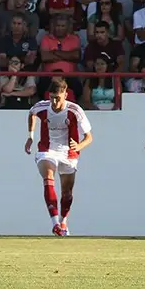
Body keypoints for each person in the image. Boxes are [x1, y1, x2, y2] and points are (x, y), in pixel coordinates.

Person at [26, 79, 92, 236]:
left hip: (69, 153)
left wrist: (79, 146)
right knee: (48, 177)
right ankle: (55, 223)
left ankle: (63, 221)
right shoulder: (42, 107)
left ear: (66, 95)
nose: (55, 102)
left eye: (58, 98)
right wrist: (30, 136)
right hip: (47, 150)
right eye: (52, 98)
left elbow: (89, 137)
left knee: (67, 192)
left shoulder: (75, 110)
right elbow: (31, 113)